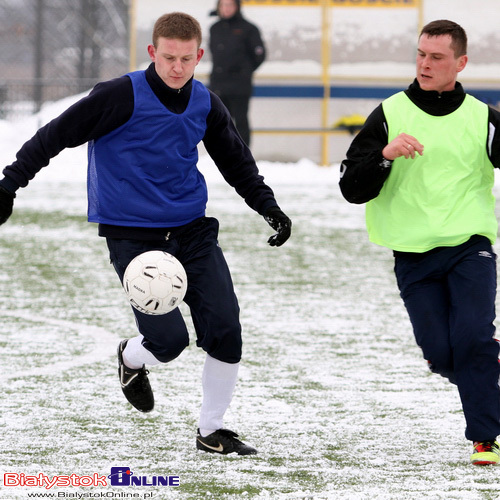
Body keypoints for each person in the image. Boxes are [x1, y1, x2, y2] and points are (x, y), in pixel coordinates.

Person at [0, 12, 291, 456]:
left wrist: (267, 207)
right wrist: (9, 185)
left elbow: (236, 161)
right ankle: (132, 358)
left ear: (200, 56)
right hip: (134, 238)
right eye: (169, 57)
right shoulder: (118, 96)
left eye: (187, 59)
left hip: (192, 231)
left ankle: (211, 431)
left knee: (226, 328)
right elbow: (54, 136)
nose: (177, 67)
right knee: (169, 342)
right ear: (153, 52)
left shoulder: (206, 103)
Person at [339, 19, 500, 466]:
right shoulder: (390, 113)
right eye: (421, 55)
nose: (425, 64)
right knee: (442, 353)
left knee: (472, 338)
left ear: (460, 63)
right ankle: (488, 374)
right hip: (412, 256)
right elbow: (352, 186)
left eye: (437, 57)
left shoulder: (483, 118)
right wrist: (385, 155)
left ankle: (485, 439)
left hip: (470, 246)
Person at [209, 0, 265, 146]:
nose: (226, 9)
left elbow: (259, 55)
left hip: (240, 86)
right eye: (223, 5)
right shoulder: (214, 28)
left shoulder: (249, 28)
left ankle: (243, 156)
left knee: (240, 122)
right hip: (218, 85)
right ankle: (222, 155)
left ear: (237, 7)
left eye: (230, 5)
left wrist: (244, 71)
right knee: (219, 122)